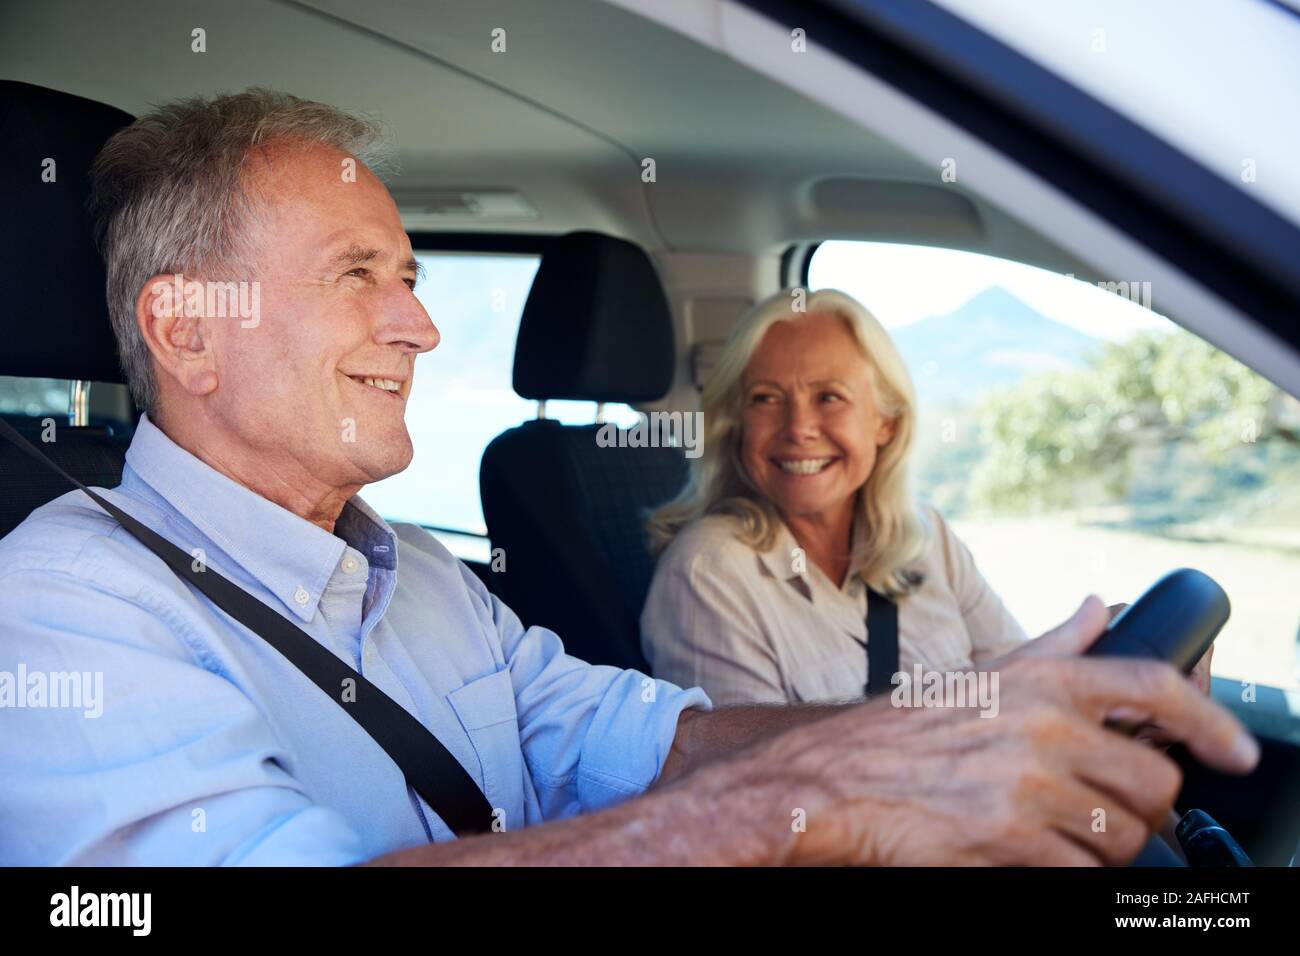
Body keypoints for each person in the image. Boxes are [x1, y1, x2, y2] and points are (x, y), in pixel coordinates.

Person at [0, 89, 1254, 866]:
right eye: (355, 277)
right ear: (188, 329)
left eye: (413, 277)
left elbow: (652, 742)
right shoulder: (63, 604)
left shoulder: (422, 573)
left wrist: (958, 722)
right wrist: (804, 803)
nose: (420, 329)